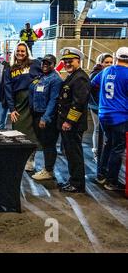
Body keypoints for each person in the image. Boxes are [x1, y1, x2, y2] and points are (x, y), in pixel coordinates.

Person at [91, 47, 128, 191]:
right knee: (117, 149)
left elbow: (92, 85)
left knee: (108, 144)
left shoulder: (106, 70)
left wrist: (101, 101)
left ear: (116, 57)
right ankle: (111, 181)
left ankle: (101, 175)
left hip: (104, 114)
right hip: (120, 116)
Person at [56, 47, 90, 193]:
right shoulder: (73, 76)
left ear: (78, 61)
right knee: (70, 153)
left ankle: (77, 183)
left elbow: (79, 103)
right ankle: (73, 180)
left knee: (74, 154)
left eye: (70, 61)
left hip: (72, 125)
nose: (67, 64)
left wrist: (69, 121)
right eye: (65, 61)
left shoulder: (80, 77)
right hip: (68, 124)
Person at [4, 41, 42, 171]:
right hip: (19, 102)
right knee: (19, 131)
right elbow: (8, 89)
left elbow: (46, 74)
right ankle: (20, 158)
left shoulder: (35, 63)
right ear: (15, 52)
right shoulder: (10, 68)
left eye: (23, 51)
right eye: (18, 51)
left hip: (34, 100)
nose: (20, 53)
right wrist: (12, 109)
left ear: (27, 52)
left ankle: (31, 158)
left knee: (33, 132)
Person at [29, 54, 63, 181]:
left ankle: (48, 170)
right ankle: (47, 168)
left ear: (54, 65)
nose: (45, 65)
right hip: (37, 114)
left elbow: (53, 101)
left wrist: (45, 117)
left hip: (47, 117)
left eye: (48, 63)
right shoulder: (42, 77)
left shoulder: (55, 80)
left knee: (49, 144)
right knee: (44, 143)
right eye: (43, 63)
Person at [89, 53, 113, 163]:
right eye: (106, 62)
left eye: (111, 62)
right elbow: (92, 91)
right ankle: (96, 153)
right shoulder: (95, 74)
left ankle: (103, 154)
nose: (109, 64)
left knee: (104, 131)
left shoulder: (110, 73)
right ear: (101, 63)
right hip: (96, 106)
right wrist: (98, 105)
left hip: (106, 107)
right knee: (98, 129)